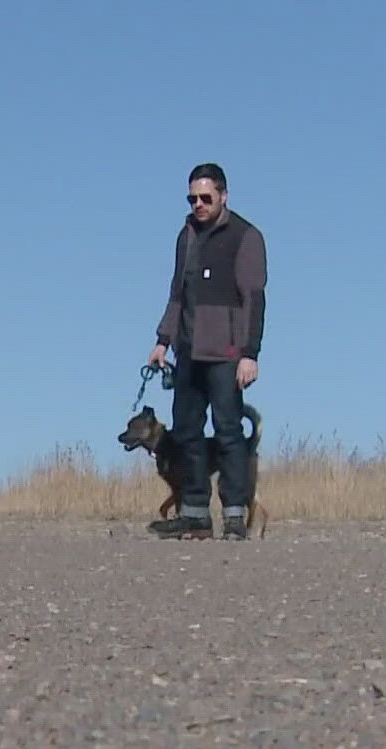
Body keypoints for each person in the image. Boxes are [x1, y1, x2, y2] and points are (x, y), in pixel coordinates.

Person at [147, 163, 267, 540]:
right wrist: (163, 341)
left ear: (223, 196)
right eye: (192, 198)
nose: (198, 204)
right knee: (187, 431)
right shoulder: (186, 236)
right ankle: (195, 513)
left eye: (205, 198)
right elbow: (177, 294)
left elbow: (254, 298)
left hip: (227, 352)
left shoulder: (246, 236)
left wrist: (250, 353)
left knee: (229, 432)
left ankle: (234, 516)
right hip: (187, 351)